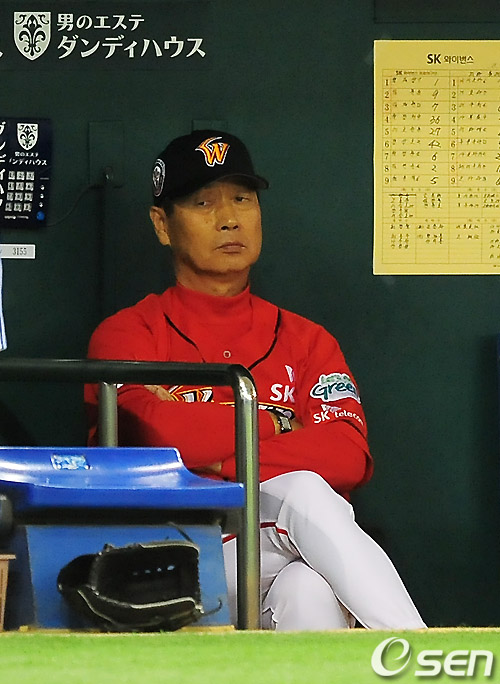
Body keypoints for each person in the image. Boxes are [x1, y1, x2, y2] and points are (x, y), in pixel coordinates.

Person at [85, 130, 426, 631]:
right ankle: (418, 650)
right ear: (162, 224)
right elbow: (153, 434)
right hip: (163, 563)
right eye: (203, 202)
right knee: (304, 489)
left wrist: (220, 459)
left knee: (308, 588)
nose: (229, 218)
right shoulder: (128, 333)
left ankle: (405, 657)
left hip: (270, 555)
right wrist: (278, 423)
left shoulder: (307, 340)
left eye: (242, 199)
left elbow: (346, 455)